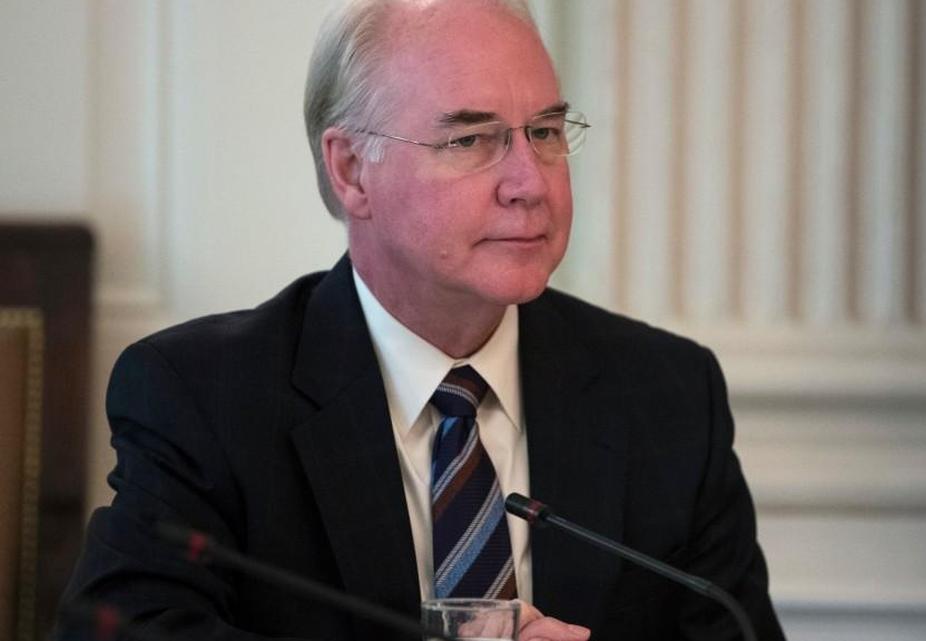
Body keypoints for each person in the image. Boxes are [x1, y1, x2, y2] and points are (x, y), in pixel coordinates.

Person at [62, 1, 785, 640]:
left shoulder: (669, 397)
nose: (529, 183)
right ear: (351, 170)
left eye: (545, 131)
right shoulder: (203, 396)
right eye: (470, 140)